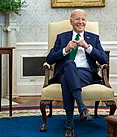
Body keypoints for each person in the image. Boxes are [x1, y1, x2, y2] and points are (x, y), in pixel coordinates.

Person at [46, 9, 108, 137]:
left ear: (86, 21)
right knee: (68, 66)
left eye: (83, 19)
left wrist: (88, 47)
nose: (80, 22)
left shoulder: (93, 38)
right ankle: (82, 108)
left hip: (86, 73)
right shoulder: (62, 37)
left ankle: (69, 124)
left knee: (66, 79)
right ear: (71, 21)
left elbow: (104, 59)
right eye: (77, 19)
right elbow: (49, 59)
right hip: (66, 71)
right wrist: (65, 49)